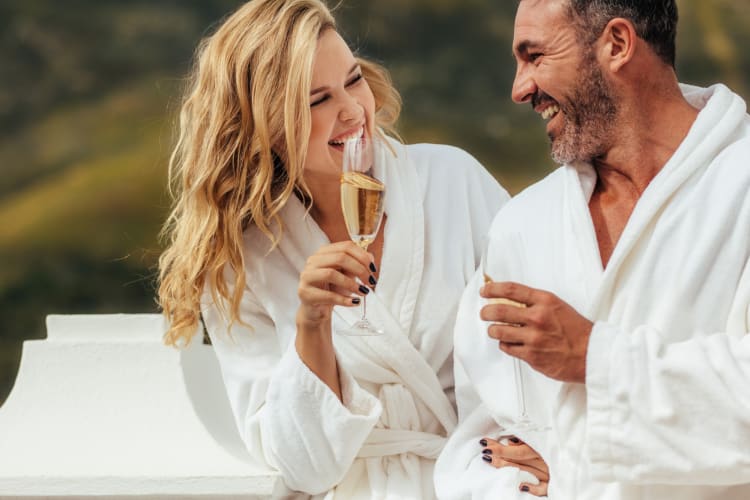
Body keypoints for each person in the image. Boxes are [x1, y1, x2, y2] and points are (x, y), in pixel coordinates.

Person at [157, 0, 509, 497]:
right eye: (316, 99)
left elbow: (536, 332)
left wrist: (544, 440)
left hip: (477, 481)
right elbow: (304, 465)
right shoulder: (245, 263)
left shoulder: (453, 182)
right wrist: (312, 323)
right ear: (266, 126)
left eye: (353, 80)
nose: (352, 110)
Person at [435, 0, 750, 498]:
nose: (519, 90)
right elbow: (484, 436)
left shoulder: (741, 186)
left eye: (534, 56)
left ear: (618, 44)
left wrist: (592, 357)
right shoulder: (524, 224)